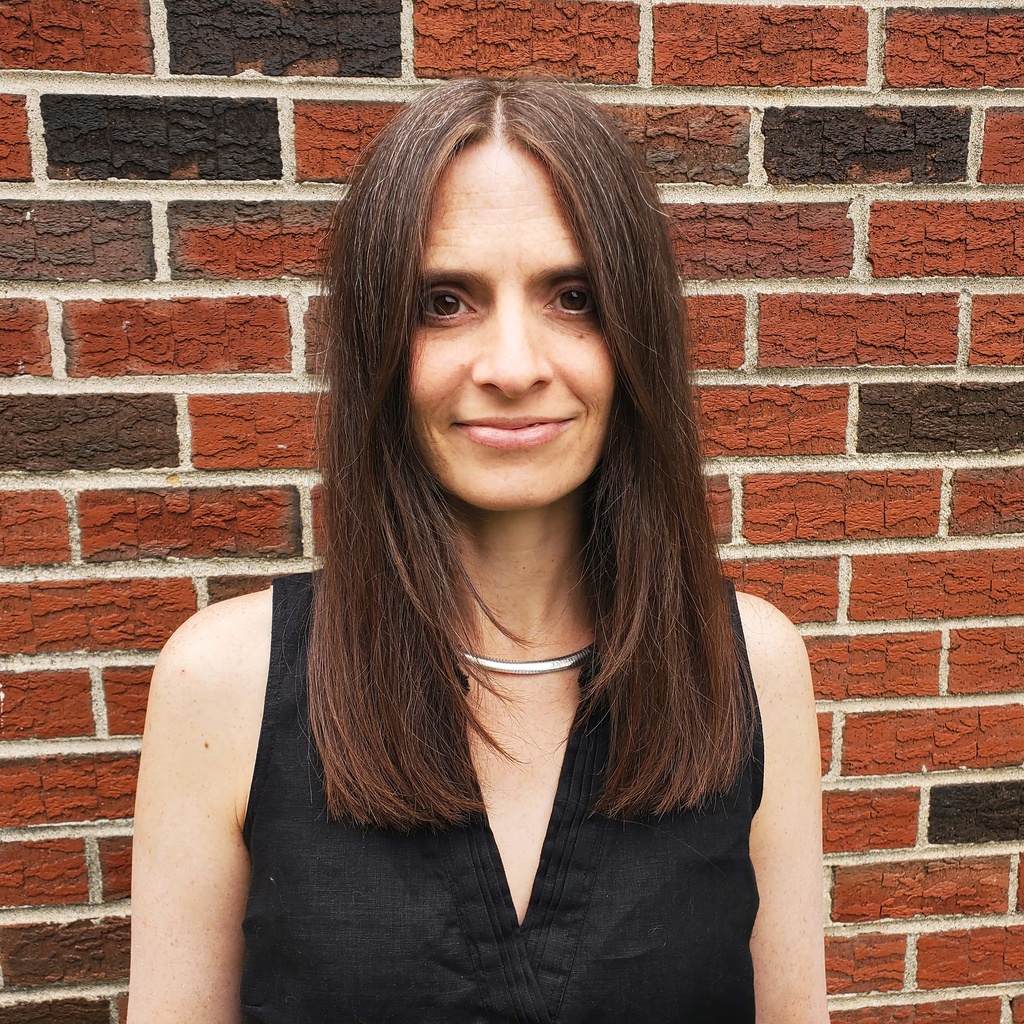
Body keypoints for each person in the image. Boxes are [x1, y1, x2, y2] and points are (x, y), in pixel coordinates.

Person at [128, 77, 828, 1023]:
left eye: (572, 296)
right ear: (379, 339)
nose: (511, 366)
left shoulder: (751, 666)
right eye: (444, 301)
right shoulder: (224, 684)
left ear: (637, 336)